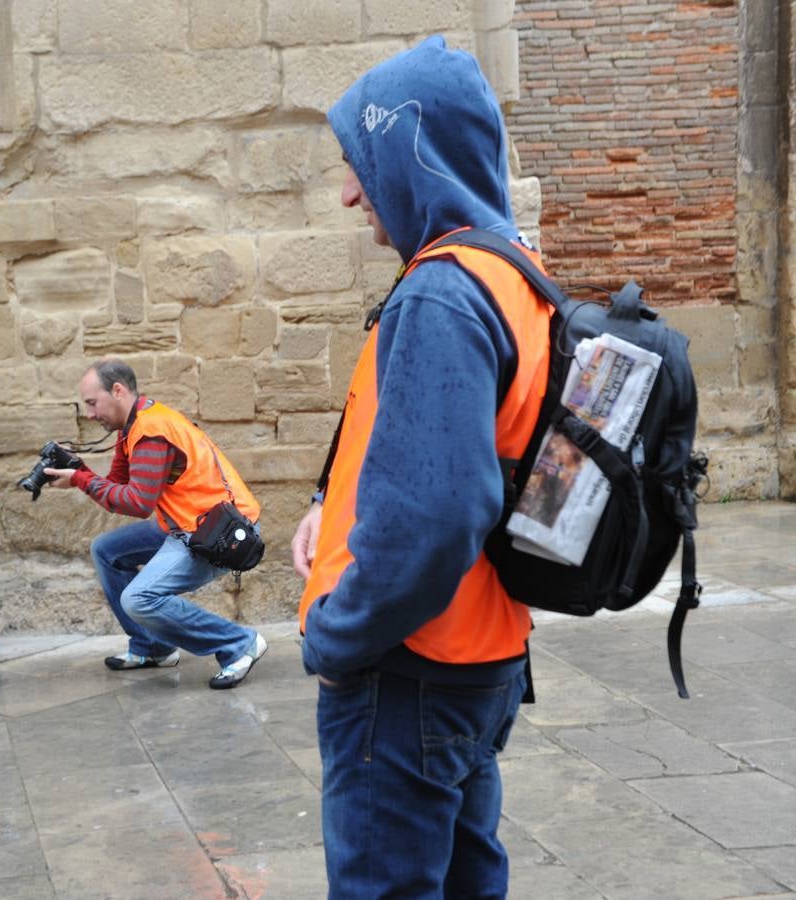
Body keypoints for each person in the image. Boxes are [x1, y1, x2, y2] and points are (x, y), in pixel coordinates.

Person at [290, 36, 553, 898]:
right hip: (481, 658)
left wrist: (339, 634)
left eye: (360, 162)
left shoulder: (441, 291)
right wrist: (331, 511)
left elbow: (438, 514)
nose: (349, 191)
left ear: (411, 150)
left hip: (407, 671)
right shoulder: (513, 273)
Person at [43, 359, 268, 690]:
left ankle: (238, 643)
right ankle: (153, 648)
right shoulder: (134, 426)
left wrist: (79, 480)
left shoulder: (150, 430)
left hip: (220, 535)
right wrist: (78, 468)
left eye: (93, 403)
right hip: (187, 523)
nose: (90, 414)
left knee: (139, 598)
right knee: (106, 551)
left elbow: (137, 502)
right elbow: (117, 486)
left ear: (117, 391)